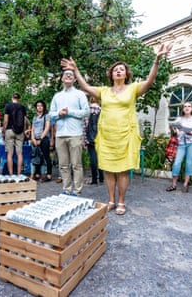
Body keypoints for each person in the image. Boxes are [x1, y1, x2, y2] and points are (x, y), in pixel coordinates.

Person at [61, 43, 172, 214]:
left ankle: (121, 201)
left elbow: (150, 81)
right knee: (108, 169)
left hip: (125, 134)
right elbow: (85, 87)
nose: (118, 71)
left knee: (122, 170)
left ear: (126, 74)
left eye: (121, 69)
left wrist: (156, 60)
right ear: (111, 74)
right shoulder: (103, 91)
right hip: (106, 135)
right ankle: (111, 200)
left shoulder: (133, 88)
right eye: (115, 70)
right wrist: (75, 70)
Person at [49, 70, 89, 196]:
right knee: (63, 165)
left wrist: (70, 112)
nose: (68, 76)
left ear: (74, 80)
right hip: (60, 134)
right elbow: (50, 115)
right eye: (66, 74)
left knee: (76, 164)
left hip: (75, 134)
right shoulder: (57, 96)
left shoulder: (80, 94)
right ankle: (66, 189)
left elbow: (86, 112)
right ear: (61, 79)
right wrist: (59, 114)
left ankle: (77, 191)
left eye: (71, 75)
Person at [166, 102, 192, 193]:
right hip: (181, 143)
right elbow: (175, 133)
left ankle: (185, 184)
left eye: (189, 106)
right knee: (177, 162)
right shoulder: (179, 119)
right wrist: (172, 128)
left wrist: (191, 133)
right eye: (185, 106)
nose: (187, 108)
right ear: (183, 109)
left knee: (189, 163)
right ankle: (173, 185)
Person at [3, 93, 27, 176]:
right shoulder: (23, 107)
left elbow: (6, 120)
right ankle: (19, 174)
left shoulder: (8, 106)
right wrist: (23, 131)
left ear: (12, 98)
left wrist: (3, 131)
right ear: (19, 99)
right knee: (19, 153)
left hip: (9, 130)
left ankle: (10, 174)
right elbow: (24, 121)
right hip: (20, 132)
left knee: (10, 153)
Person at [31, 100, 53, 182]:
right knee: (37, 156)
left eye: (41, 106)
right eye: (37, 106)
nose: (39, 107)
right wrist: (33, 138)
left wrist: (40, 138)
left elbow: (47, 128)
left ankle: (49, 175)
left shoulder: (46, 116)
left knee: (46, 156)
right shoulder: (35, 117)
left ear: (43, 107)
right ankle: (37, 174)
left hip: (44, 139)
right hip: (35, 139)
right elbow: (32, 129)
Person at [84, 97, 104, 185]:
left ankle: (94, 179)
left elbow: (84, 126)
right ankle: (101, 177)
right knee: (100, 157)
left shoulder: (87, 111)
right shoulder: (102, 110)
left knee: (93, 158)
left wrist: (85, 139)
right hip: (100, 138)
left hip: (90, 138)